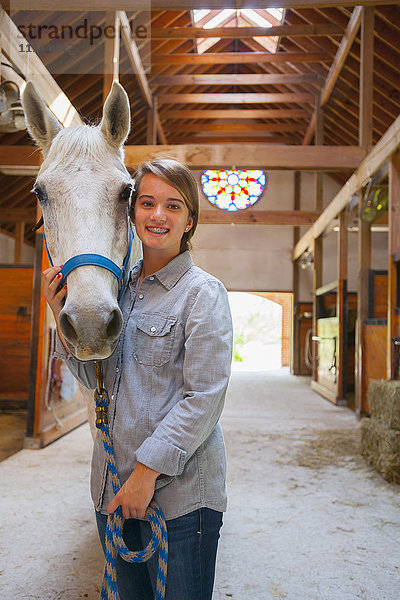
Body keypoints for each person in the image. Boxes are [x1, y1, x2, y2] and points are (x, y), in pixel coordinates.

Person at [42, 158, 233, 600]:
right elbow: (95, 381)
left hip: (179, 499)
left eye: (173, 206)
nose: (158, 216)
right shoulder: (118, 292)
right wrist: (62, 318)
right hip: (113, 490)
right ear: (131, 214)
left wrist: (146, 473)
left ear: (190, 221)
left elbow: (203, 397)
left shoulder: (203, 294)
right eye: (146, 203)